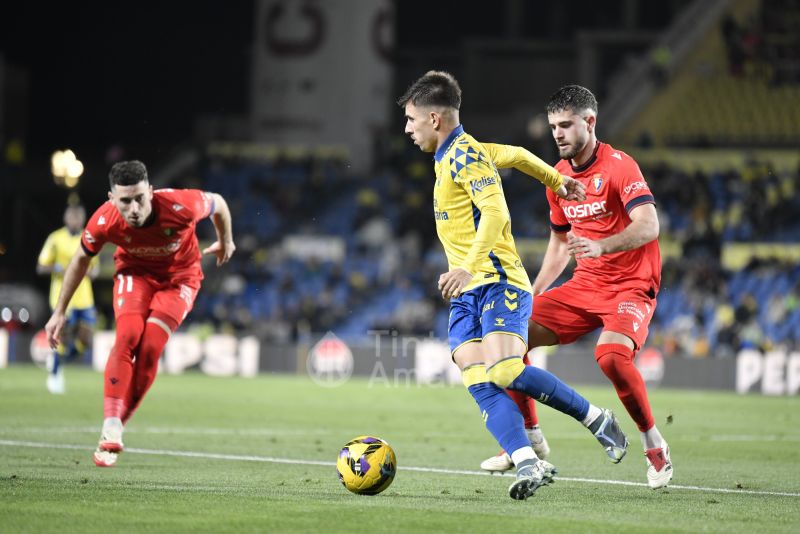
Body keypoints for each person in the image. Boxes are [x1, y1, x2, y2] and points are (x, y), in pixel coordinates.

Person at [398, 71, 628, 501]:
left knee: (505, 370)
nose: (407, 129)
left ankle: (596, 418)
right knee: (477, 379)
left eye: (411, 120)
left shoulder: (465, 156)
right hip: (467, 292)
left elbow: (497, 214)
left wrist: (467, 266)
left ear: (433, 118)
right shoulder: (459, 152)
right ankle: (527, 460)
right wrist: (557, 181)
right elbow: (520, 155)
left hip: (498, 281)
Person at [479, 84, 673, 489]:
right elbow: (559, 244)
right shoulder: (559, 178)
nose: (558, 134)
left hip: (630, 287)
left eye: (566, 124)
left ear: (590, 121)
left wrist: (601, 245)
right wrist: (532, 293)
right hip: (585, 285)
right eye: (553, 126)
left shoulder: (621, 166)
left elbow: (649, 225)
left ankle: (653, 443)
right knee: (509, 338)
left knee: (612, 358)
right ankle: (530, 436)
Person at [45, 160, 235, 467]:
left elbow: (220, 204)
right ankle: (111, 425)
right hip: (135, 275)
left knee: (149, 349)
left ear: (150, 190)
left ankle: (117, 426)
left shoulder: (181, 204)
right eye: (125, 201)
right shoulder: (105, 220)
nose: (134, 208)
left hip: (180, 280)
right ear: (111, 199)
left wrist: (226, 240)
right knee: (129, 336)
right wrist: (59, 312)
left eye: (139, 199)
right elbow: (81, 259)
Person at [37, 204, 99, 394]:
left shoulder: (89, 238)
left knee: (86, 340)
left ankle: (58, 363)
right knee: (62, 337)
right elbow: (41, 267)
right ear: (65, 219)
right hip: (62, 296)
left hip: (84, 297)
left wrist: (90, 273)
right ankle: (55, 374)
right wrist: (57, 268)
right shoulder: (55, 239)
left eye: (78, 217)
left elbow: (95, 269)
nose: (74, 221)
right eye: (71, 217)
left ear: (83, 219)